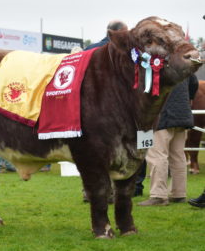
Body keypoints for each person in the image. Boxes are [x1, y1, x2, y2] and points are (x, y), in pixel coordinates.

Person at [82, 19, 128, 203]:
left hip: (90, 109)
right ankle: (110, 192)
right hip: (116, 109)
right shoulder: (123, 52)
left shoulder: (89, 50)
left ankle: (90, 192)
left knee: (91, 152)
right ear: (117, 33)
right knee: (115, 152)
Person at [138, 74, 199, 206]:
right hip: (182, 114)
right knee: (178, 155)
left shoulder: (152, 61)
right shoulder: (181, 61)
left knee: (157, 155)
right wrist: (189, 98)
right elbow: (194, 82)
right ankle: (178, 193)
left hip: (160, 114)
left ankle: (158, 195)